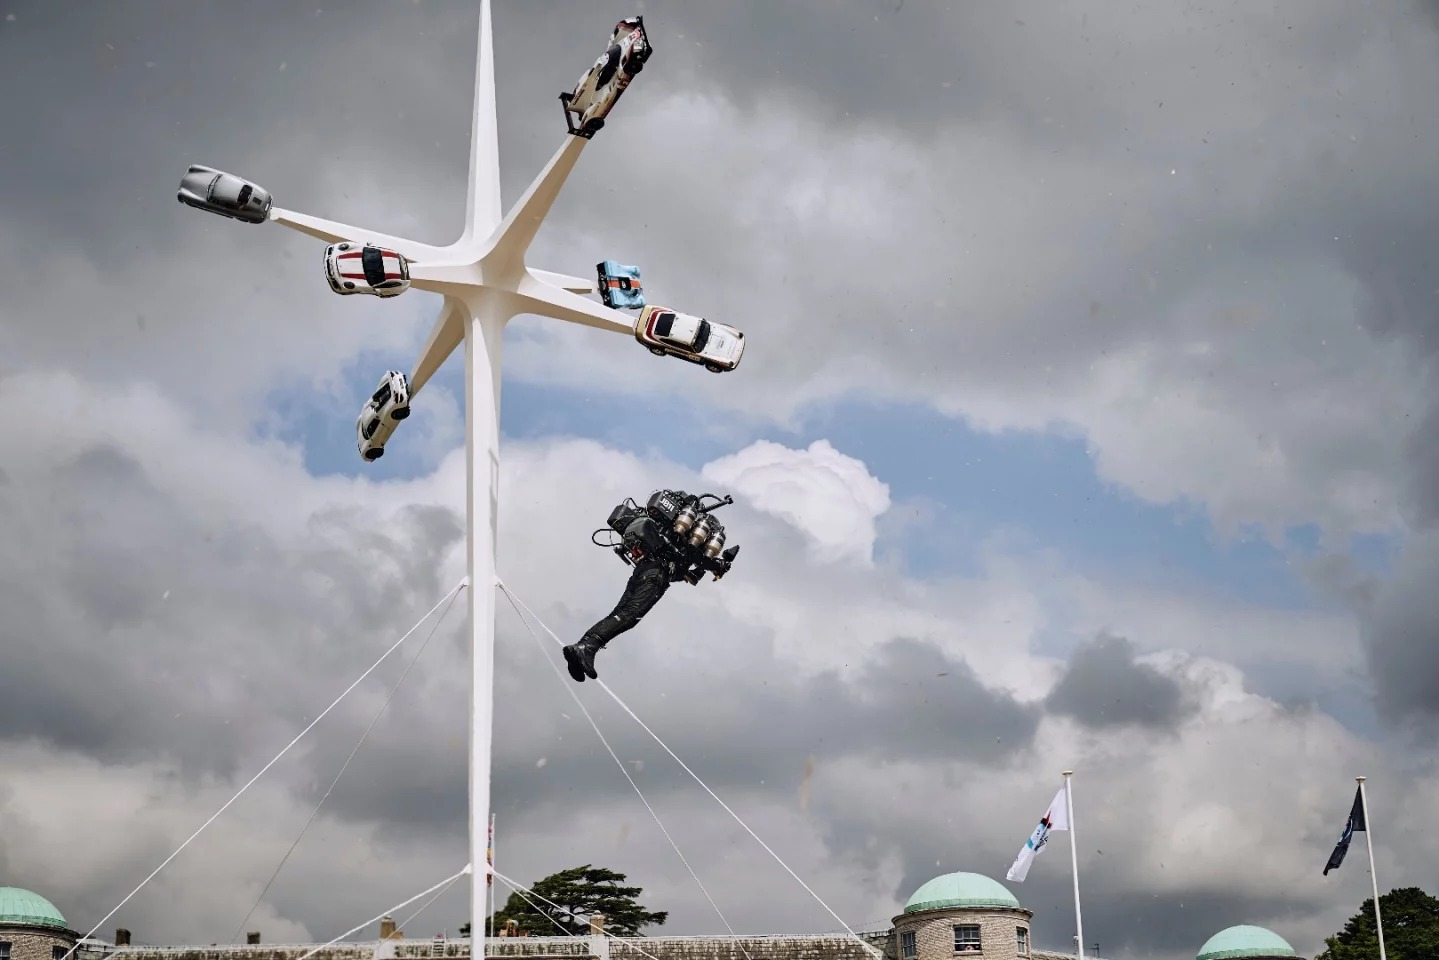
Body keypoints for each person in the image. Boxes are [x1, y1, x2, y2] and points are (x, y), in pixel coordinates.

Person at [564, 489, 739, 682]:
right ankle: (586, 648)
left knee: (621, 612)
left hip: (643, 569)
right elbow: (701, 558)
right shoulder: (688, 540)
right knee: (630, 615)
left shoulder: (670, 536)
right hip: (656, 575)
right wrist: (719, 565)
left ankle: (582, 647)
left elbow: (681, 567)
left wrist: (688, 573)